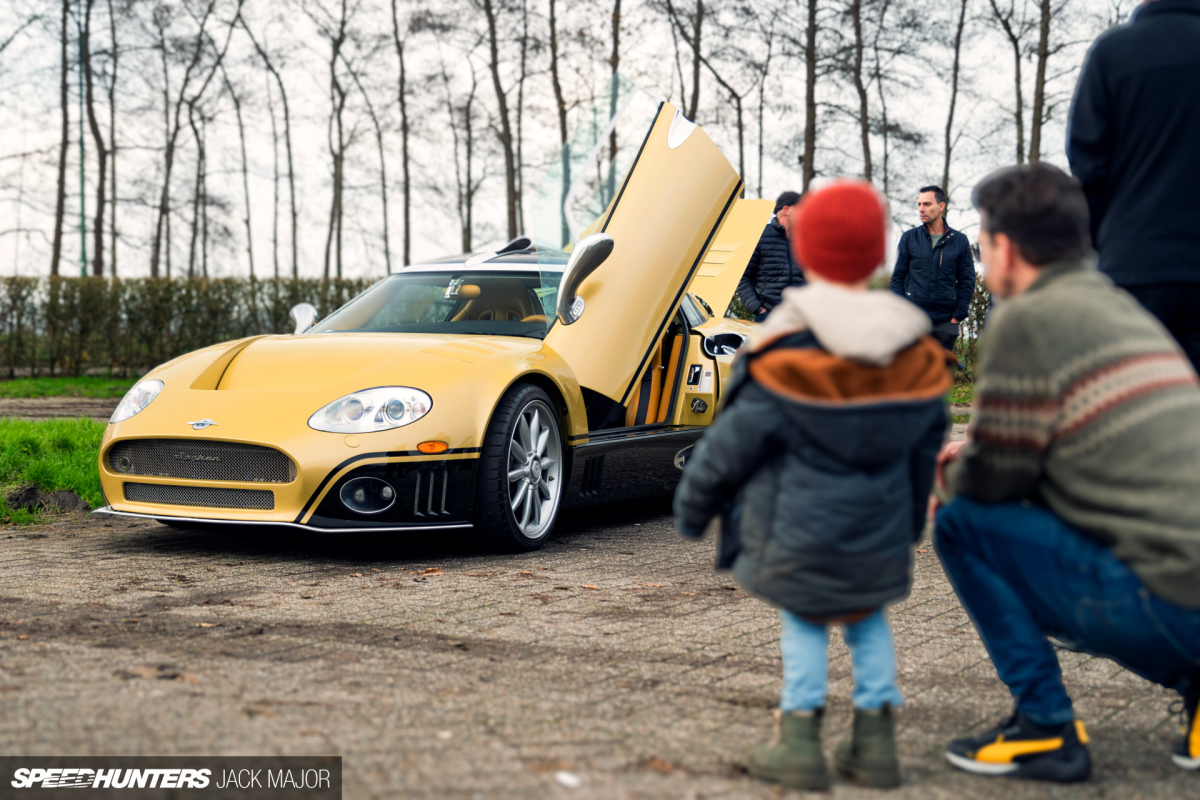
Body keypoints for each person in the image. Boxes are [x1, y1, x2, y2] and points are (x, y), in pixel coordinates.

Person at [675, 180, 952, 791]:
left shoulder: (780, 347)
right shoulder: (912, 349)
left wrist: (694, 505)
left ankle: (799, 742)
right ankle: (876, 744)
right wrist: (911, 518)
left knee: (804, 623)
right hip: (879, 525)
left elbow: (731, 443)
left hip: (795, 525)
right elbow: (925, 446)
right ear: (875, 257)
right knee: (868, 621)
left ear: (808, 251)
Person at [932, 163, 1200, 783]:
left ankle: (1044, 726)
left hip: (1175, 604)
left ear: (1005, 247)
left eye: (983, 240)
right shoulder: (1119, 307)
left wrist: (951, 475)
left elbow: (994, 480)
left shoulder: (1027, 315)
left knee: (962, 522)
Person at [1067, 0, 1200, 372]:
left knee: (1135, 397)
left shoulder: (1113, 53)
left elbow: (1089, 165)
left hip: (1135, 261)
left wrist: (1103, 242)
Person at [889, 186, 976, 353]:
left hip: (945, 324)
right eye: (919, 204)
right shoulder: (909, 238)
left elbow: (967, 280)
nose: (921, 209)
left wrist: (956, 317)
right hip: (913, 323)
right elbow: (897, 277)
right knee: (913, 369)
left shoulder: (959, 241)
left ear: (941, 206)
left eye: (927, 204)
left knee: (942, 370)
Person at [736, 190, 805, 322]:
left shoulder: (803, 239)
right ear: (786, 210)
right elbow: (742, 278)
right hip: (767, 317)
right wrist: (759, 309)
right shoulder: (760, 236)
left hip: (798, 318)